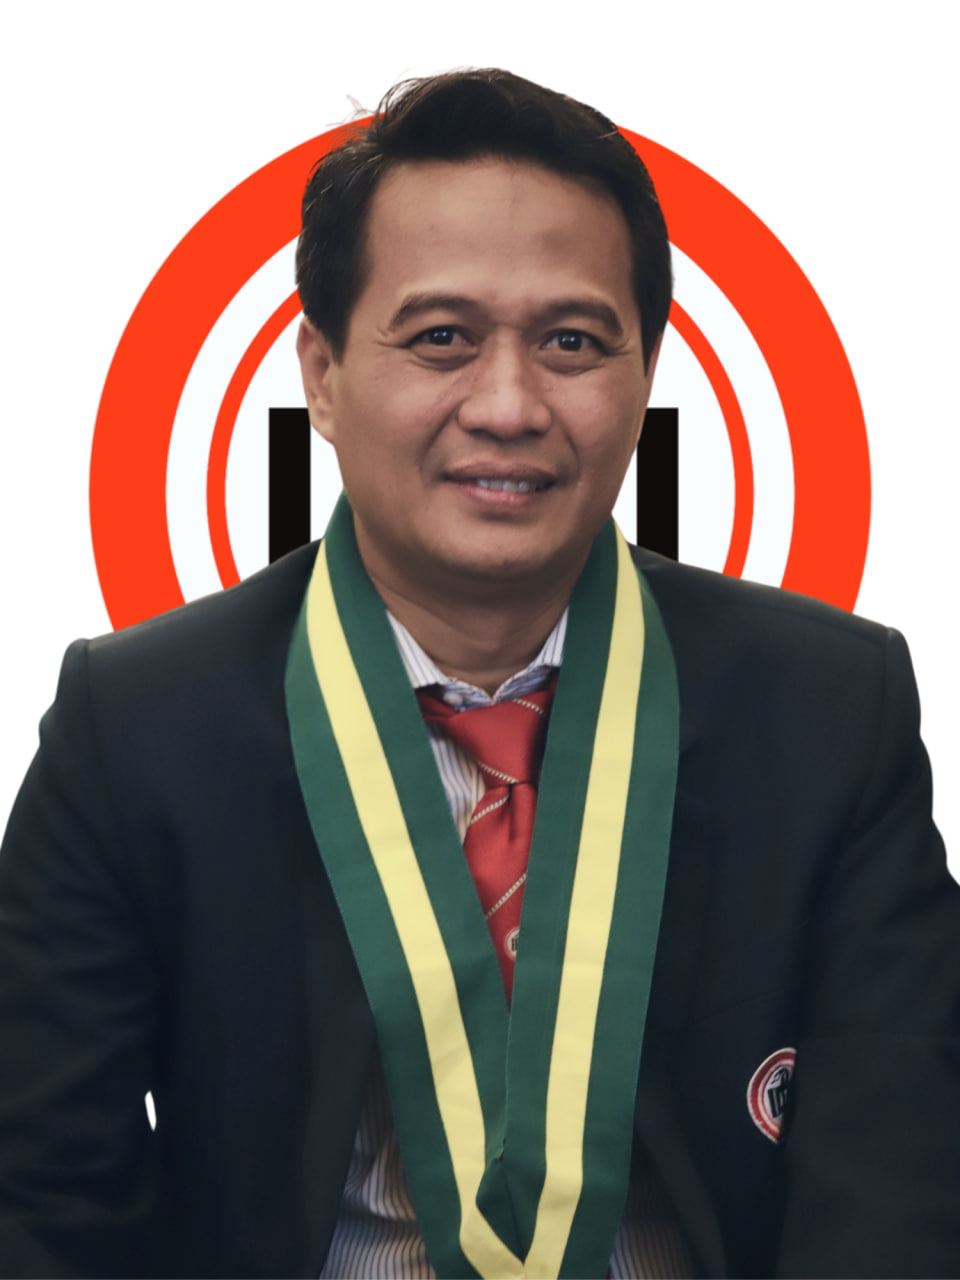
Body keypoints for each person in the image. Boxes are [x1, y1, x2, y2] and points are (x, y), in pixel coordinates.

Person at [1, 68, 958, 1280]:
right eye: (441, 338)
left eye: (572, 342)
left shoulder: (830, 709)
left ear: (646, 374)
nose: (508, 405)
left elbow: (898, 1182)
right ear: (322, 373)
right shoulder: (137, 725)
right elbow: (43, 1191)